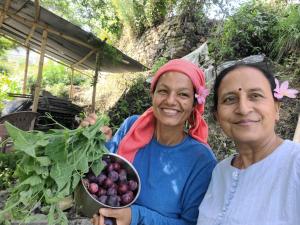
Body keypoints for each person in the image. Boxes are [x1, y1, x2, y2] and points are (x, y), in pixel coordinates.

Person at [83, 59, 217, 225]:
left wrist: (136, 217)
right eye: (163, 91)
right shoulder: (132, 127)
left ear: (194, 103)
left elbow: (192, 223)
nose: (170, 100)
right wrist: (92, 142)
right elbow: (103, 172)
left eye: (183, 94)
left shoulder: (201, 160)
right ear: (152, 95)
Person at [197, 61, 300, 225]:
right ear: (217, 116)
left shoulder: (295, 164)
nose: (243, 109)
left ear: (277, 108)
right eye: (230, 99)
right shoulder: (220, 172)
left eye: (255, 96)